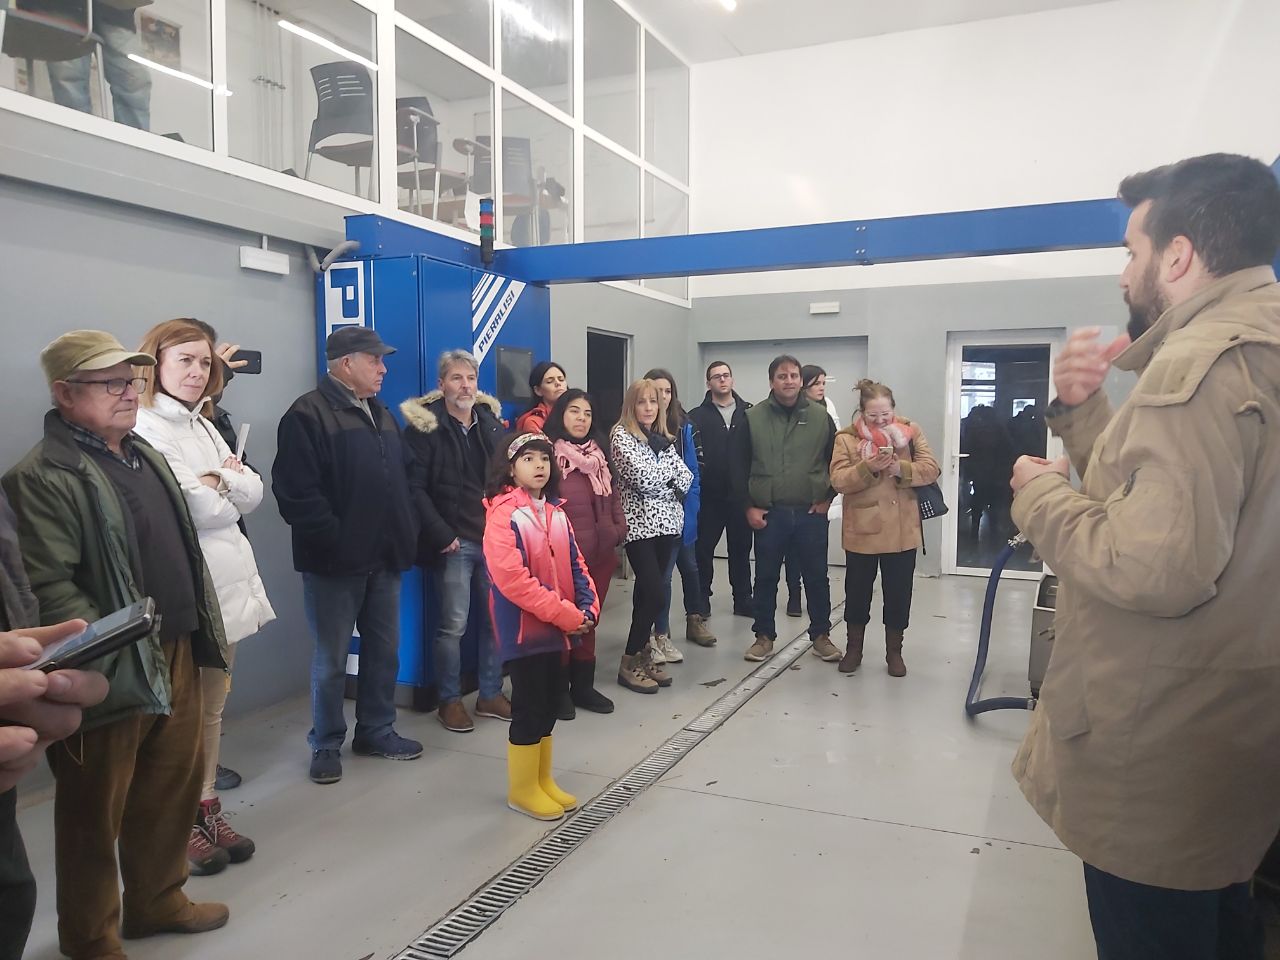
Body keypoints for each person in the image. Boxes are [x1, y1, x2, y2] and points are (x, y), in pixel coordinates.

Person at [1008, 153, 1280, 958]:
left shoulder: (1201, 365)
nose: (1125, 272)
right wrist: (1083, 411)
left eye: (1133, 250)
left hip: (1160, 755)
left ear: (1179, 255)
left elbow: (1153, 567)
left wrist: (1038, 494)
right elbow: (1160, 501)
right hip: (1229, 742)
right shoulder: (1260, 344)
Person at [3, 330, 231, 959]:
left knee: (171, 786)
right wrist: (114, 649)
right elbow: (48, 587)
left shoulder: (141, 452)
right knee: (93, 810)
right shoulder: (41, 475)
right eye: (110, 383)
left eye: (131, 380)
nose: (129, 392)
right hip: (107, 666)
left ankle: (158, 901)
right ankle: (90, 936)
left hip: (176, 644)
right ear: (64, 393)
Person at [133, 319, 275, 872]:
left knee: (212, 709)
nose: (197, 371)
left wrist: (221, 481)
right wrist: (224, 482)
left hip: (227, 589)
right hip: (186, 593)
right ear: (156, 365)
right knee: (178, 717)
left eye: (203, 361)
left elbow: (253, 491)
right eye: (184, 360)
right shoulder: (146, 424)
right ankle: (176, 822)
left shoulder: (203, 423)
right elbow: (196, 507)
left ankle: (206, 805)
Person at [272, 326, 422, 786]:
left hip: (384, 558)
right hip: (333, 564)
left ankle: (376, 730)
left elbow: (404, 476)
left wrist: (406, 530)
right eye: (374, 360)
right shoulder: (307, 415)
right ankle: (325, 743)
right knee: (332, 659)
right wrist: (337, 540)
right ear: (345, 363)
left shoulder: (381, 413)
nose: (383, 368)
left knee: (384, 651)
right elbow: (296, 494)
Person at [0, 486, 110, 960]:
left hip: (9, 712)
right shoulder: (45, 474)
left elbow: (15, 578)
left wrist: (28, 664)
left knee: (11, 894)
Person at [482, 432, 598, 820]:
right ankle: (522, 790)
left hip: (557, 628)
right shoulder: (504, 515)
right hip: (525, 632)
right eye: (529, 459)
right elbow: (513, 581)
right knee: (529, 708)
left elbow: (577, 565)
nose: (539, 466)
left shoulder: (556, 512)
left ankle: (541, 780)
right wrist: (567, 615)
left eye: (545, 459)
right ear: (510, 467)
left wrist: (588, 607)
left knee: (549, 704)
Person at [401, 350, 511, 733]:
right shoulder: (424, 429)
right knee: (453, 626)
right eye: (456, 378)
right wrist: (441, 534)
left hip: (493, 540)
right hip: (454, 543)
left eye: (471, 379)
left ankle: (490, 694)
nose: (465, 386)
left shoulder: (491, 426)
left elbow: (506, 480)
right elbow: (414, 489)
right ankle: (449, 701)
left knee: (495, 620)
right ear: (441, 384)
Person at [733, 355, 840, 664]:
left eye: (794, 375)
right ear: (772, 381)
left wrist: (829, 497)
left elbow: (837, 461)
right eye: (782, 376)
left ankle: (821, 636)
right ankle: (763, 636)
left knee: (816, 577)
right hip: (770, 514)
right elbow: (737, 466)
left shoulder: (821, 417)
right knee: (766, 577)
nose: (789, 381)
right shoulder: (753, 417)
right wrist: (748, 506)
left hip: (811, 513)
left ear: (800, 380)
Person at [829, 379, 938, 677]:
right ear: (861, 412)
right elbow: (838, 480)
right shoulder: (846, 439)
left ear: (894, 410)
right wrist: (870, 467)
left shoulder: (910, 431)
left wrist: (900, 468)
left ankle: (894, 652)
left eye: (885, 415)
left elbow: (931, 468)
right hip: (862, 529)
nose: (880, 421)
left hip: (903, 529)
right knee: (857, 593)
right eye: (873, 415)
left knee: (899, 594)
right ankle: (854, 648)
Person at [609, 379, 692, 693]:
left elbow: (685, 477)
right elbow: (643, 479)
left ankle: (642, 656)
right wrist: (668, 481)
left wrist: (666, 480)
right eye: (642, 402)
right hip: (640, 527)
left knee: (645, 595)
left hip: (667, 526)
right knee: (656, 595)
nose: (648, 408)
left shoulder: (660, 437)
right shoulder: (622, 436)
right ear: (631, 406)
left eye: (653, 402)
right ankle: (627, 662)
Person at [545, 389, 624, 716]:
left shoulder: (599, 455)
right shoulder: (549, 455)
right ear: (561, 414)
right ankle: (557, 691)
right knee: (564, 621)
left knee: (589, 619)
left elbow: (614, 496)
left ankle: (583, 687)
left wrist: (618, 530)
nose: (581, 418)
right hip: (562, 559)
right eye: (574, 411)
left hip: (600, 556)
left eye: (587, 413)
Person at [645, 368, 715, 658]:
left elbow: (695, 470)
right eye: (656, 391)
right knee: (663, 577)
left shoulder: (685, 426)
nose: (662, 397)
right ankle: (660, 632)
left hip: (684, 509)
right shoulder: (642, 429)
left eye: (667, 391)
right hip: (656, 516)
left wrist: (691, 510)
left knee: (691, 567)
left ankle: (694, 619)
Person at [688, 361, 753, 618]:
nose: (722, 380)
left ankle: (743, 600)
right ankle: (702, 599)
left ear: (732, 379)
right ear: (709, 383)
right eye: (717, 377)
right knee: (703, 550)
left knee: (740, 550)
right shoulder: (696, 416)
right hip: (710, 496)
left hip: (740, 496)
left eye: (726, 375)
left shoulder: (749, 413)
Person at [27, 0, 152, 130]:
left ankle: (132, 139)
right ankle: (78, 136)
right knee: (69, 77)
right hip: (63, 8)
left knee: (135, 79)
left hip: (113, 10)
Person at [783, 364, 842, 619]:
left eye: (823, 384)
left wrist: (828, 494)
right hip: (792, 494)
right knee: (792, 550)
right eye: (816, 383)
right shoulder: (790, 411)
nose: (821, 388)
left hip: (818, 494)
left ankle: (815, 600)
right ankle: (794, 594)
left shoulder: (828, 409)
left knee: (816, 551)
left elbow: (835, 452)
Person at [514, 361, 568, 434]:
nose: (558, 383)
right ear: (538, 390)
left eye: (561, 379)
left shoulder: (576, 414)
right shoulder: (533, 422)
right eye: (550, 381)